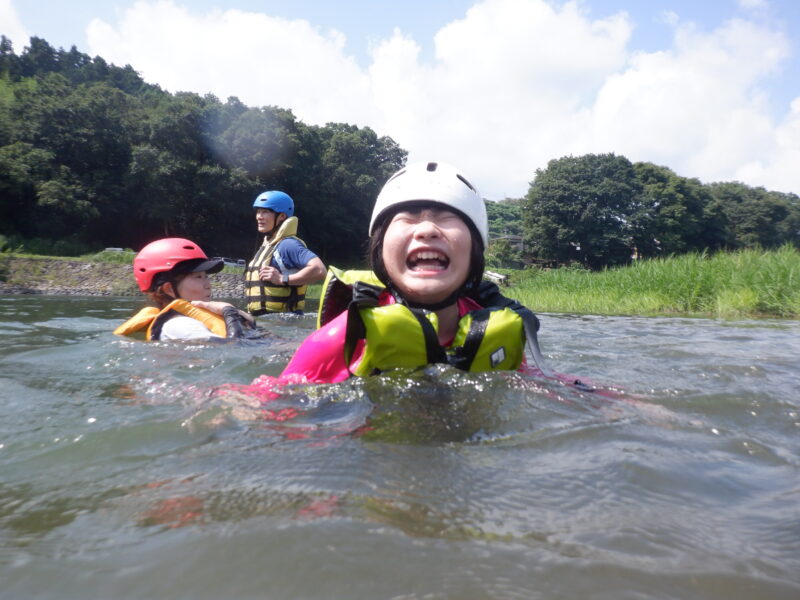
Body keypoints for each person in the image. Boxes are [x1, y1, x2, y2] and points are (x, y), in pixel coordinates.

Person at [276, 161, 553, 385]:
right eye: (408, 217)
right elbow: (273, 405)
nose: (427, 230)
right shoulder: (342, 337)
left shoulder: (495, 331)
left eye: (447, 218)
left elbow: (537, 383)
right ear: (380, 248)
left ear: (475, 250)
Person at [114, 237, 255, 341]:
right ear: (169, 289)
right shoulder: (180, 325)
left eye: (206, 276)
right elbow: (234, 352)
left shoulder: (187, 321)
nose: (208, 284)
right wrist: (230, 314)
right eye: (198, 277)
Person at [244, 190, 326, 316]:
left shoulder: (288, 245)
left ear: (281, 216)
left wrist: (283, 278)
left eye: (265, 211)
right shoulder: (268, 246)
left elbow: (319, 270)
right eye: (258, 211)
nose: (259, 216)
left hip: (283, 323)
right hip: (265, 322)